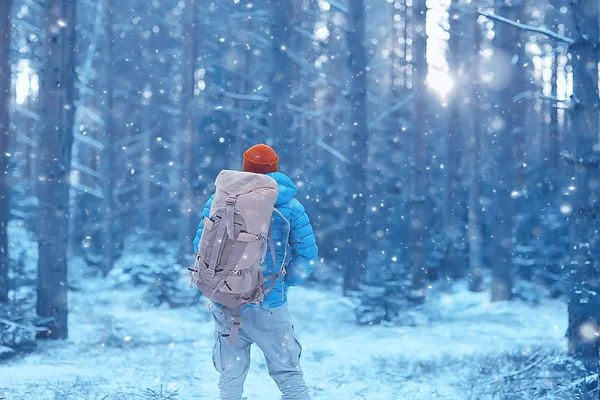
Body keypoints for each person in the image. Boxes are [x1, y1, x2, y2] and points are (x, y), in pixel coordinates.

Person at [193, 143, 318, 400]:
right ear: (275, 167)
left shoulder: (219, 198)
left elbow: (200, 246)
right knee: (289, 374)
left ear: (245, 166)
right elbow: (307, 256)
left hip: (226, 300)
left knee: (230, 379)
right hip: (270, 303)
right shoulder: (291, 206)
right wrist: (285, 282)